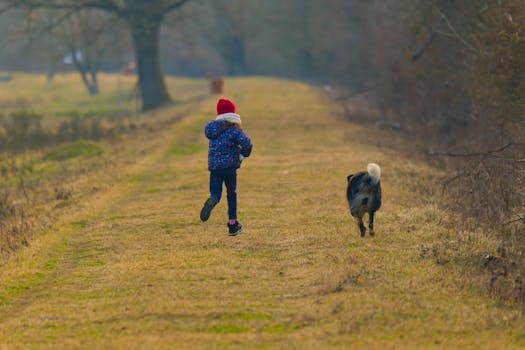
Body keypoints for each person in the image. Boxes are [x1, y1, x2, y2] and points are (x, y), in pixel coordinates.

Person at [200, 98, 253, 236]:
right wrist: (242, 156)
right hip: (229, 168)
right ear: (233, 114)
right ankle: (232, 224)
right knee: (231, 194)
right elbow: (247, 144)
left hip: (215, 168)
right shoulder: (234, 130)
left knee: (216, 193)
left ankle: (213, 199)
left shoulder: (212, 129)